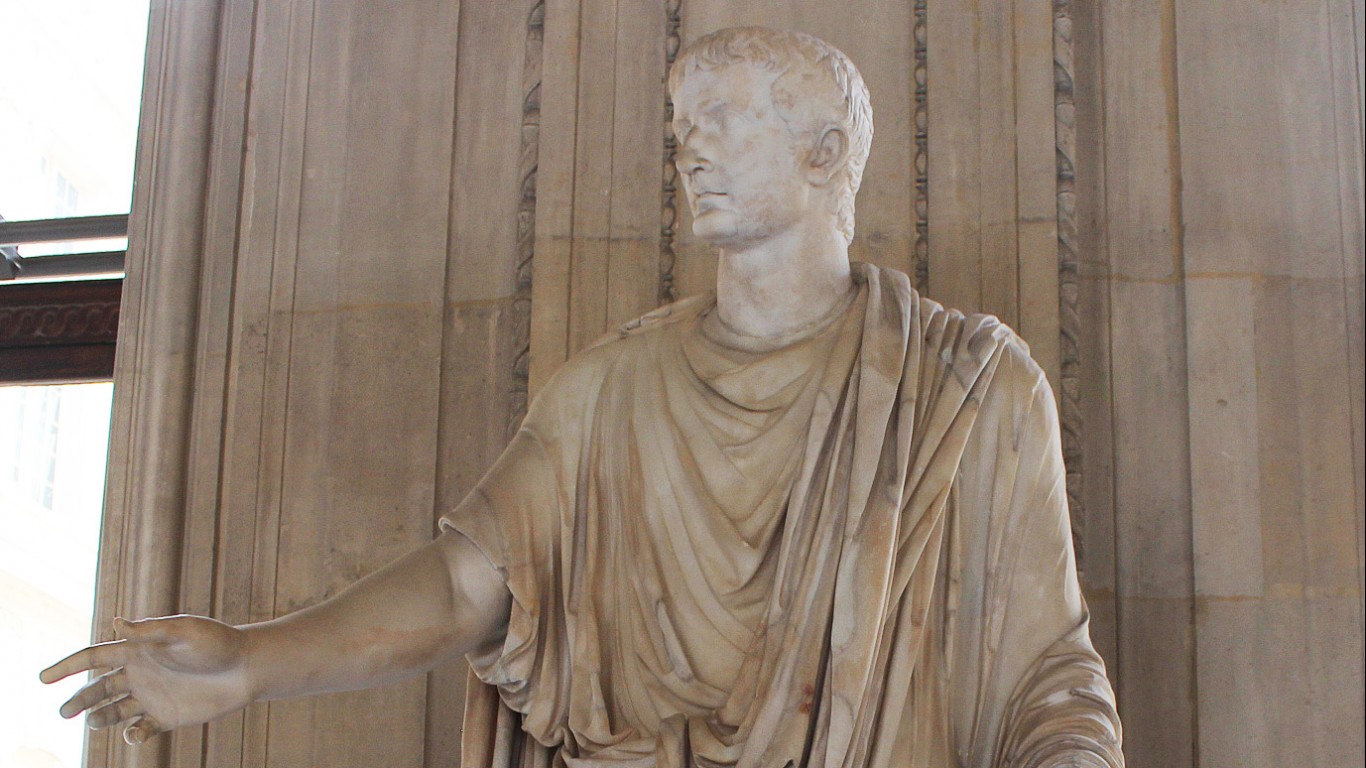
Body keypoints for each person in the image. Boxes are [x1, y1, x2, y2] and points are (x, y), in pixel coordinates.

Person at [44, 27, 1123, 767]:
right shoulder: (608, 391)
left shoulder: (965, 392)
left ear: (824, 153)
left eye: (724, 119)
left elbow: (1050, 671)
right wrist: (252, 659)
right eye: (681, 122)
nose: (689, 146)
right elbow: (468, 582)